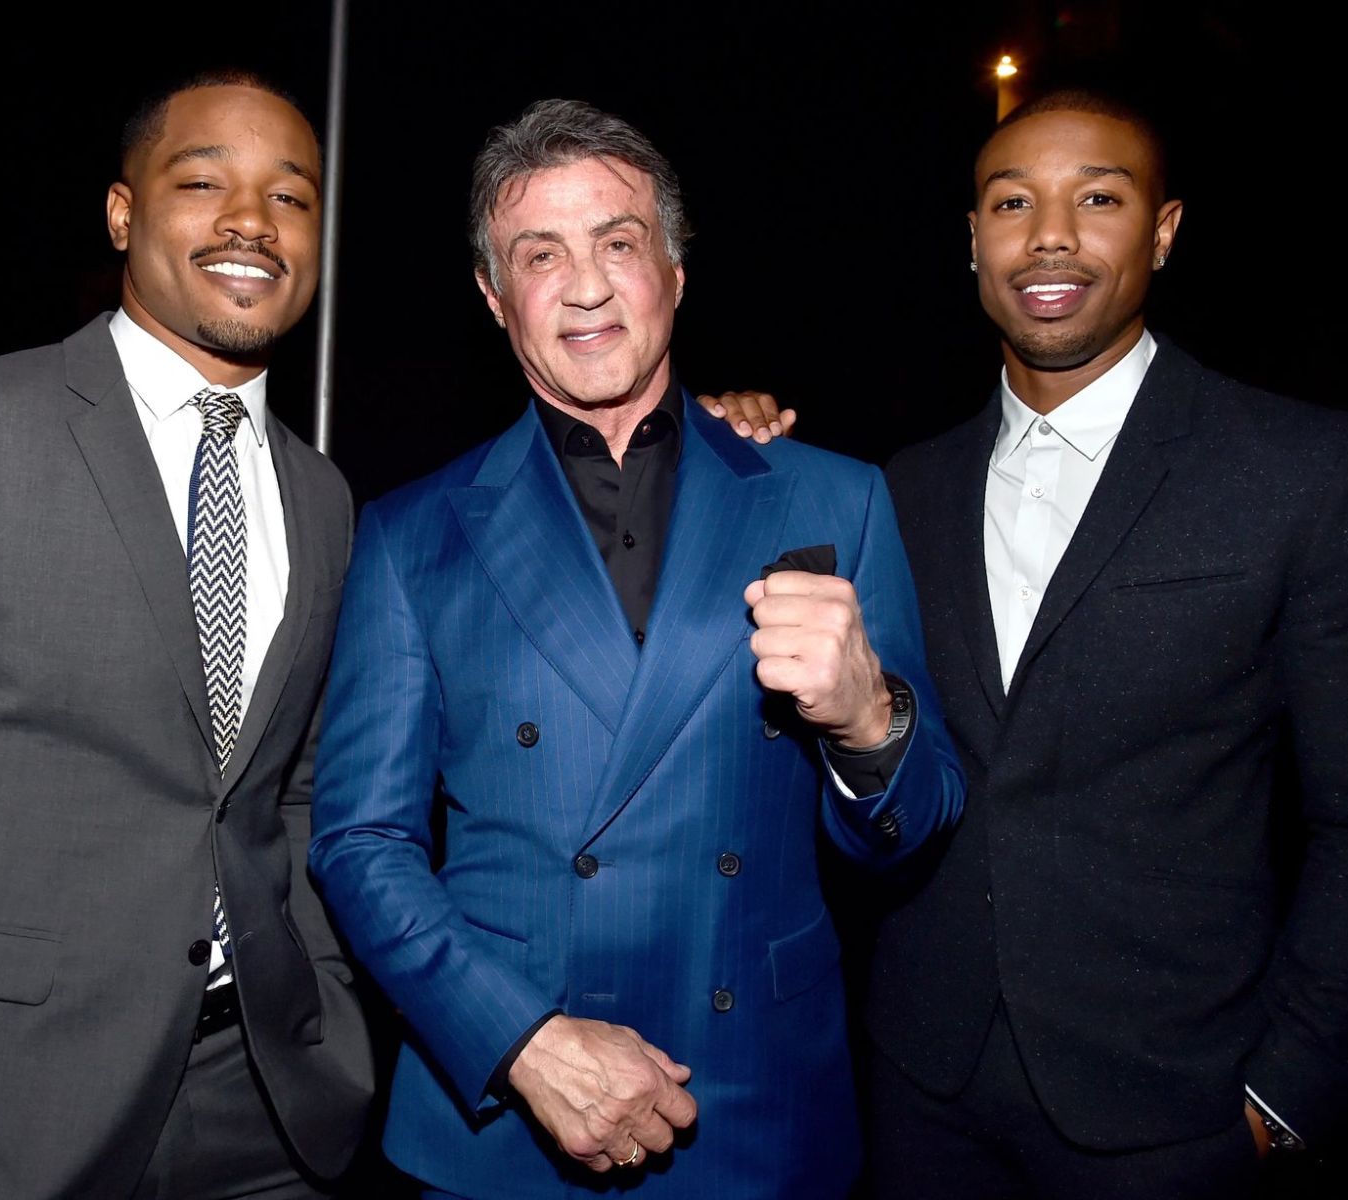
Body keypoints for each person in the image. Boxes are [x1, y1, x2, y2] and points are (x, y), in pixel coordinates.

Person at [710, 89, 1348, 1198]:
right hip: (921, 1091)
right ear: (972, 238)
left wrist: (1291, 1093)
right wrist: (721, 450)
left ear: (1162, 232)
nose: (1050, 236)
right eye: (1012, 202)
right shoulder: (902, 489)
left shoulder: (1304, 473)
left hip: (1175, 1108)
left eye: (1098, 199)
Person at [307, 98, 964, 1200]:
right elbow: (360, 842)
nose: (585, 287)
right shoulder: (411, 535)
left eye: (616, 243)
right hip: (505, 1124)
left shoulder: (834, 498)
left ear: (673, 268)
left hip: (754, 1106)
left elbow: (912, 832)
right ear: (493, 297)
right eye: (539, 255)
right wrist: (523, 1043)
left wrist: (867, 721)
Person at [0, 71, 374, 1199]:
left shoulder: (323, 499)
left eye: (290, 197)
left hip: (265, 1109)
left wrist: (319, 990)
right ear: (124, 213)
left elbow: (291, 795)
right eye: (203, 183)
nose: (251, 222)